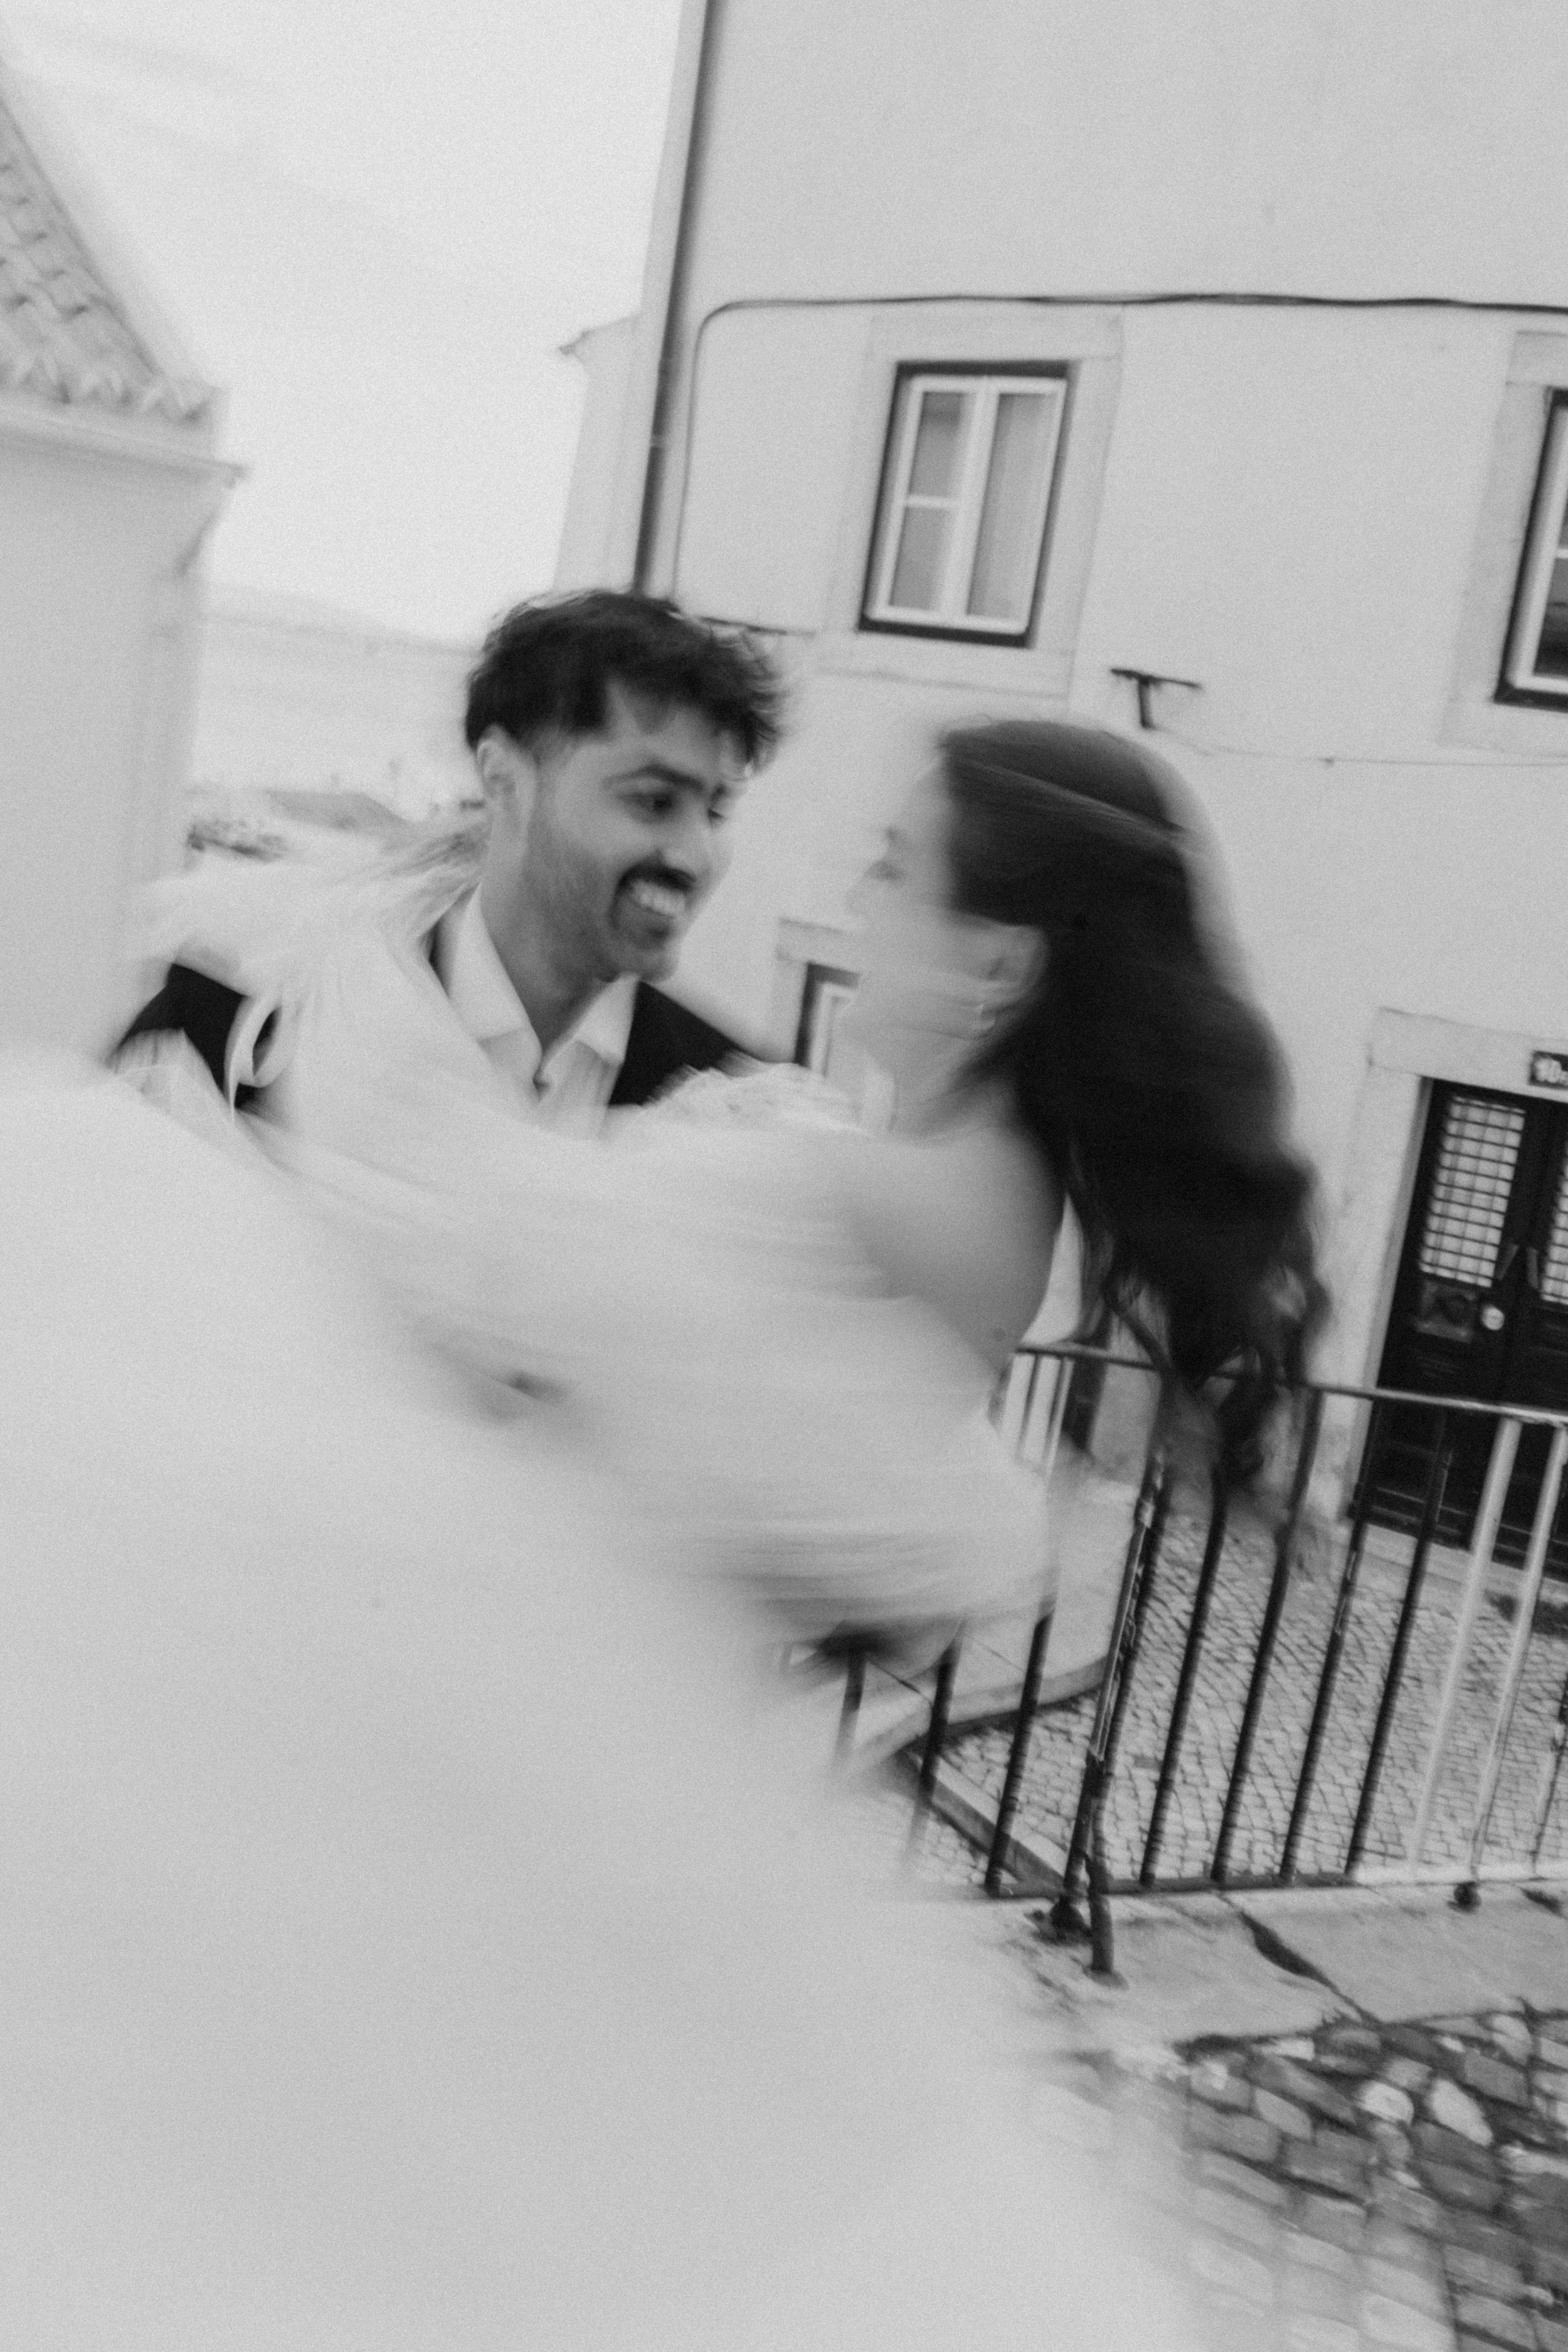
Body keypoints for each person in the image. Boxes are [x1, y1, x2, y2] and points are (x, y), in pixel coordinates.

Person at [0, 1049, 1204, 2351]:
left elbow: (913, 1535)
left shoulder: (854, 1154)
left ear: (994, 966)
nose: (702, 852)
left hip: (528, 1753)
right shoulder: (321, 1010)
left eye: (899, 868)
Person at [157, 716, 1322, 1661]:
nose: (862, 899)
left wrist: (362, 913)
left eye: (898, 866)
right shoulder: (971, 1205)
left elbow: (444, 1228)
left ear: (1003, 966)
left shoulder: (870, 1199)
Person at [114, 590, 785, 1133]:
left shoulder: (728, 1106)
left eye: (718, 810)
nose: (695, 854)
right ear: (504, 778)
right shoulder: (242, 1018)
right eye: (654, 800)